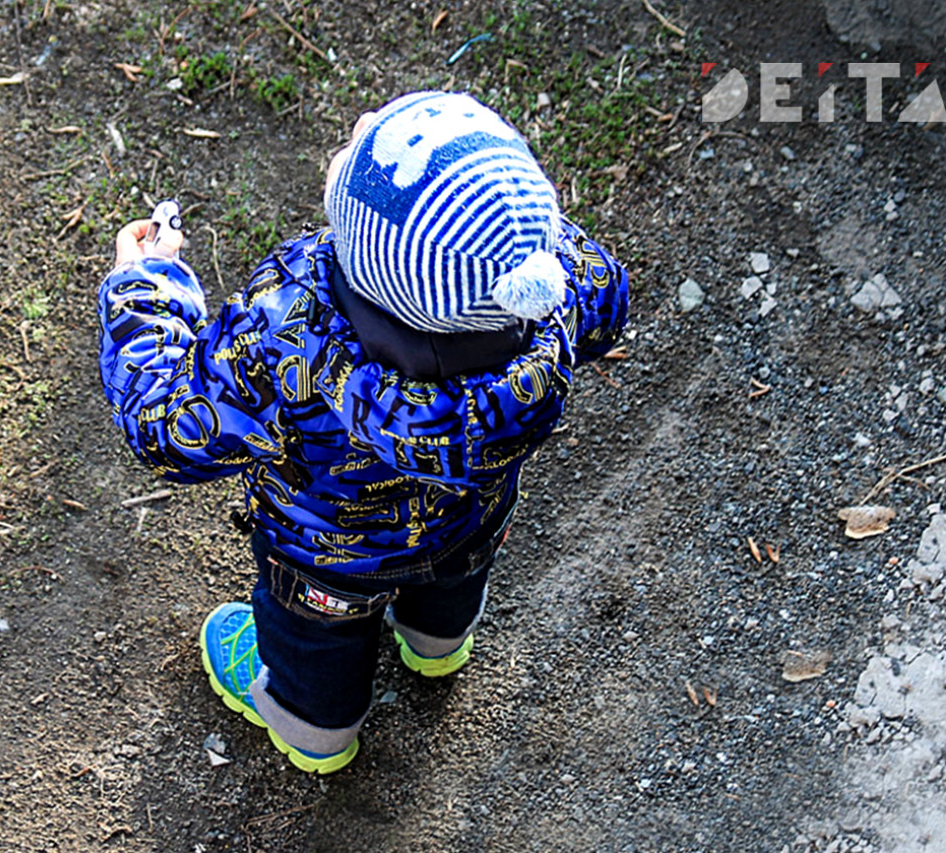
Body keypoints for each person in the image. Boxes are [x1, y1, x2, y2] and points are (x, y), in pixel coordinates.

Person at [97, 91, 629, 774]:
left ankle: (315, 730)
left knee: (315, 640)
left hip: (325, 560)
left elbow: (165, 424)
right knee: (452, 579)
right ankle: (438, 644)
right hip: (469, 523)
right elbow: (607, 304)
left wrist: (147, 288)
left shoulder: (288, 335)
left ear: (367, 256)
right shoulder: (552, 292)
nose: (355, 134)